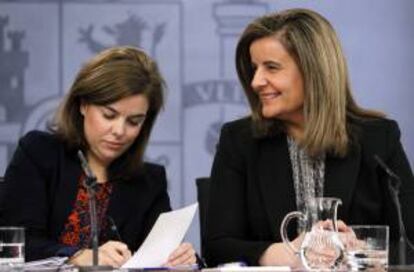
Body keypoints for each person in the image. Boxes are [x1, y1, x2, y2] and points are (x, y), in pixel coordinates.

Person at [205, 8, 414, 268]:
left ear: (314, 70)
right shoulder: (238, 141)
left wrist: (359, 251)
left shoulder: (379, 139)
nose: (256, 81)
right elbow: (217, 247)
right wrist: (290, 253)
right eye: (254, 68)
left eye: (271, 67)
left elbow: (410, 244)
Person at [0, 46, 196, 268]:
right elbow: (15, 243)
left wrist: (183, 259)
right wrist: (77, 255)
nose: (119, 131)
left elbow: (159, 252)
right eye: (109, 115)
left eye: (134, 121)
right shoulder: (39, 153)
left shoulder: (149, 181)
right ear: (83, 104)